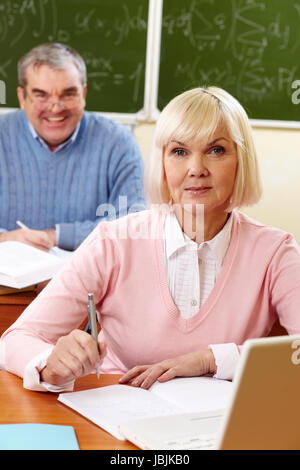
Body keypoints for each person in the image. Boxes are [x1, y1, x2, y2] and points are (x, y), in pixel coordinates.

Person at [1, 86, 300, 392]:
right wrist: (50, 363)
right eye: (180, 152)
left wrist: (213, 359)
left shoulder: (276, 253)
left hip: (224, 428)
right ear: (163, 164)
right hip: (120, 417)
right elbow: (16, 339)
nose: (196, 169)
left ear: (241, 159)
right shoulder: (113, 242)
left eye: (216, 150)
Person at [0, 43, 145, 251]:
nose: (56, 107)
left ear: (83, 94)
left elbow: (133, 225)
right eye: (41, 95)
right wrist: (5, 238)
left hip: (92, 280)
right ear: (22, 98)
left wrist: (56, 236)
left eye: (68, 94)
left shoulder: (119, 143)